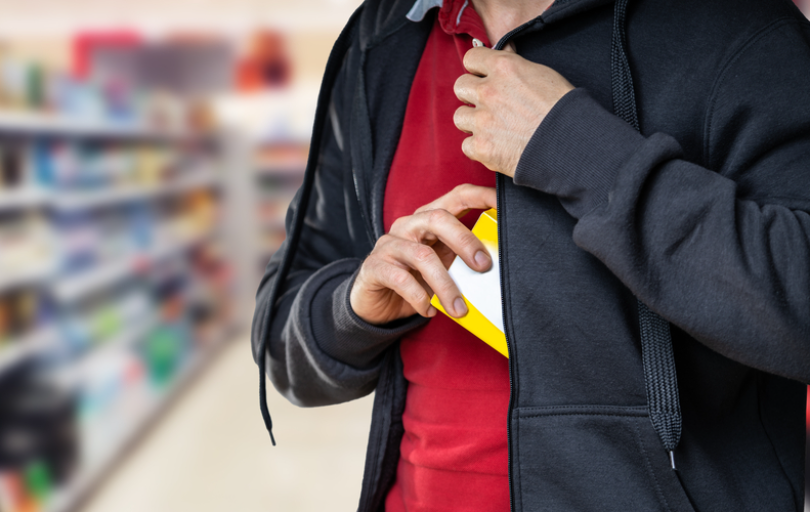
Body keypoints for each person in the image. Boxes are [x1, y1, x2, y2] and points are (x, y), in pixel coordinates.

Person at [252, 0, 810, 510]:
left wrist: (573, 146)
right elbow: (282, 344)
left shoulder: (741, 30)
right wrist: (354, 308)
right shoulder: (384, 40)